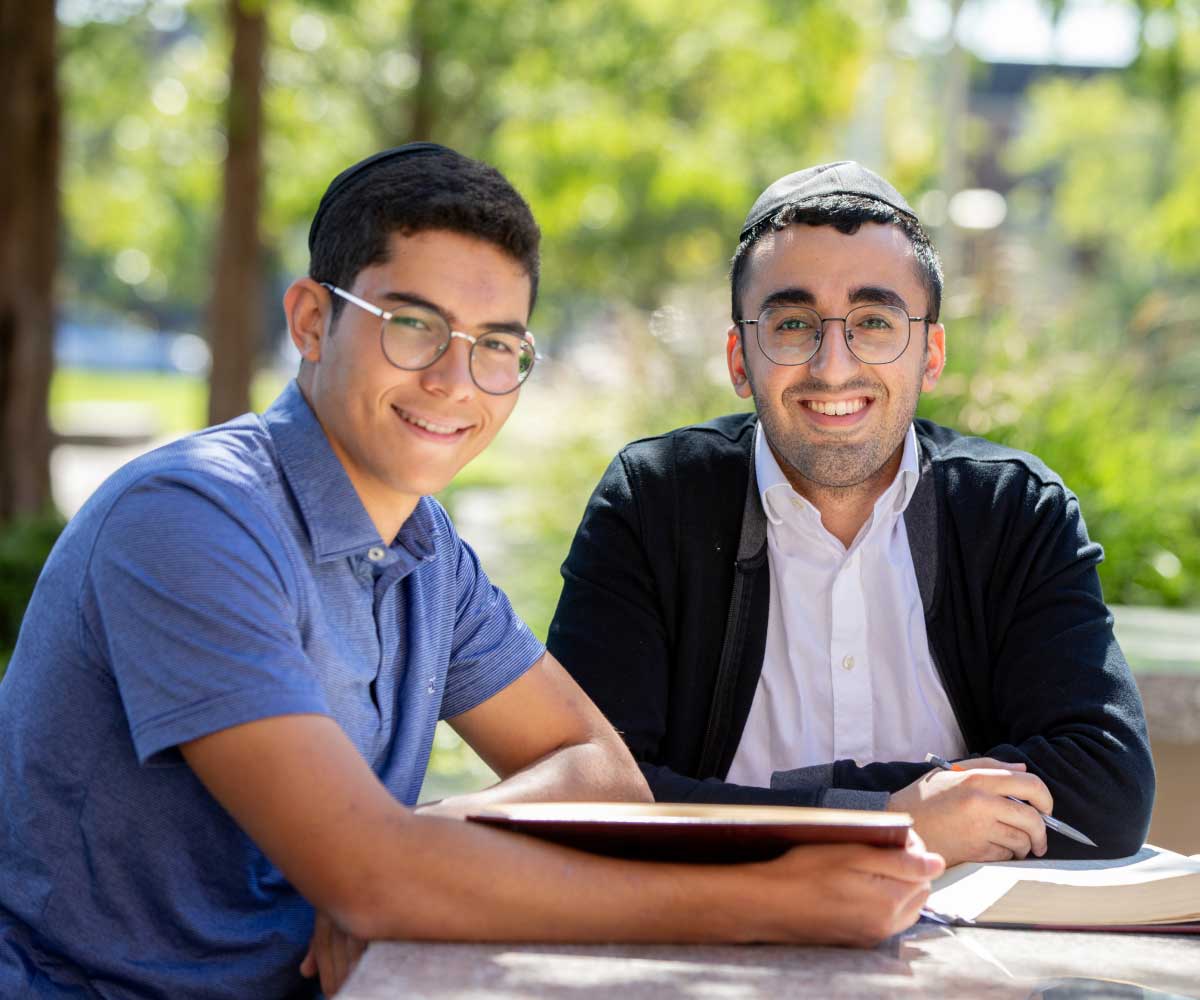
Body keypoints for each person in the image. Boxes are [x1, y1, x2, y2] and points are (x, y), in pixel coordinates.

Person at [0, 146, 944, 1000]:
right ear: (312, 319)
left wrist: (410, 849)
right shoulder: (191, 521)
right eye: (413, 325)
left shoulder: (426, 552)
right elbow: (375, 876)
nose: (456, 381)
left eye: (496, 345)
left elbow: (600, 775)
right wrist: (768, 904)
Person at [548, 161, 1155, 868]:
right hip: (718, 942)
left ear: (930, 354)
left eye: (873, 323)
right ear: (740, 357)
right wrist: (889, 820)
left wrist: (767, 809)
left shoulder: (1013, 511)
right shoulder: (654, 502)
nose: (833, 367)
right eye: (793, 323)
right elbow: (589, 795)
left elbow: (1107, 787)